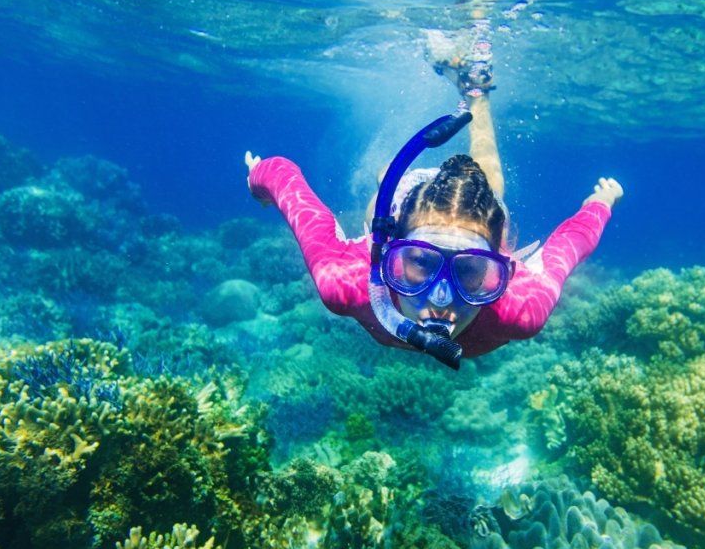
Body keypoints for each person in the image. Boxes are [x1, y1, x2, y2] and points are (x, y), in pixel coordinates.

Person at [245, 27, 622, 369]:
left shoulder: (518, 310)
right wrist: (257, 181)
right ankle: (399, 171)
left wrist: (602, 203)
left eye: (471, 272)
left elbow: (570, 245)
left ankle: (475, 91)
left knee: (490, 184)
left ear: (503, 263)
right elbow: (283, 179)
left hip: (466, 211)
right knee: (386, 188)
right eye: (420, 263)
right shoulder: (350, 281)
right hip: (406, 197)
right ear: (387, 248)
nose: (441, 299)